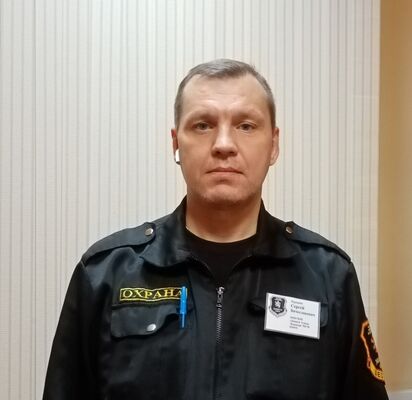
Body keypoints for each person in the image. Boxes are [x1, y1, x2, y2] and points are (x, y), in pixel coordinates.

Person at [43, 59, 388, 400]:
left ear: (273, 145)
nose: (224, 144)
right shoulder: (106, 274)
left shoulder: (328, 276)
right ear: (176, 143)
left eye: (246, 126)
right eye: (203, 125)